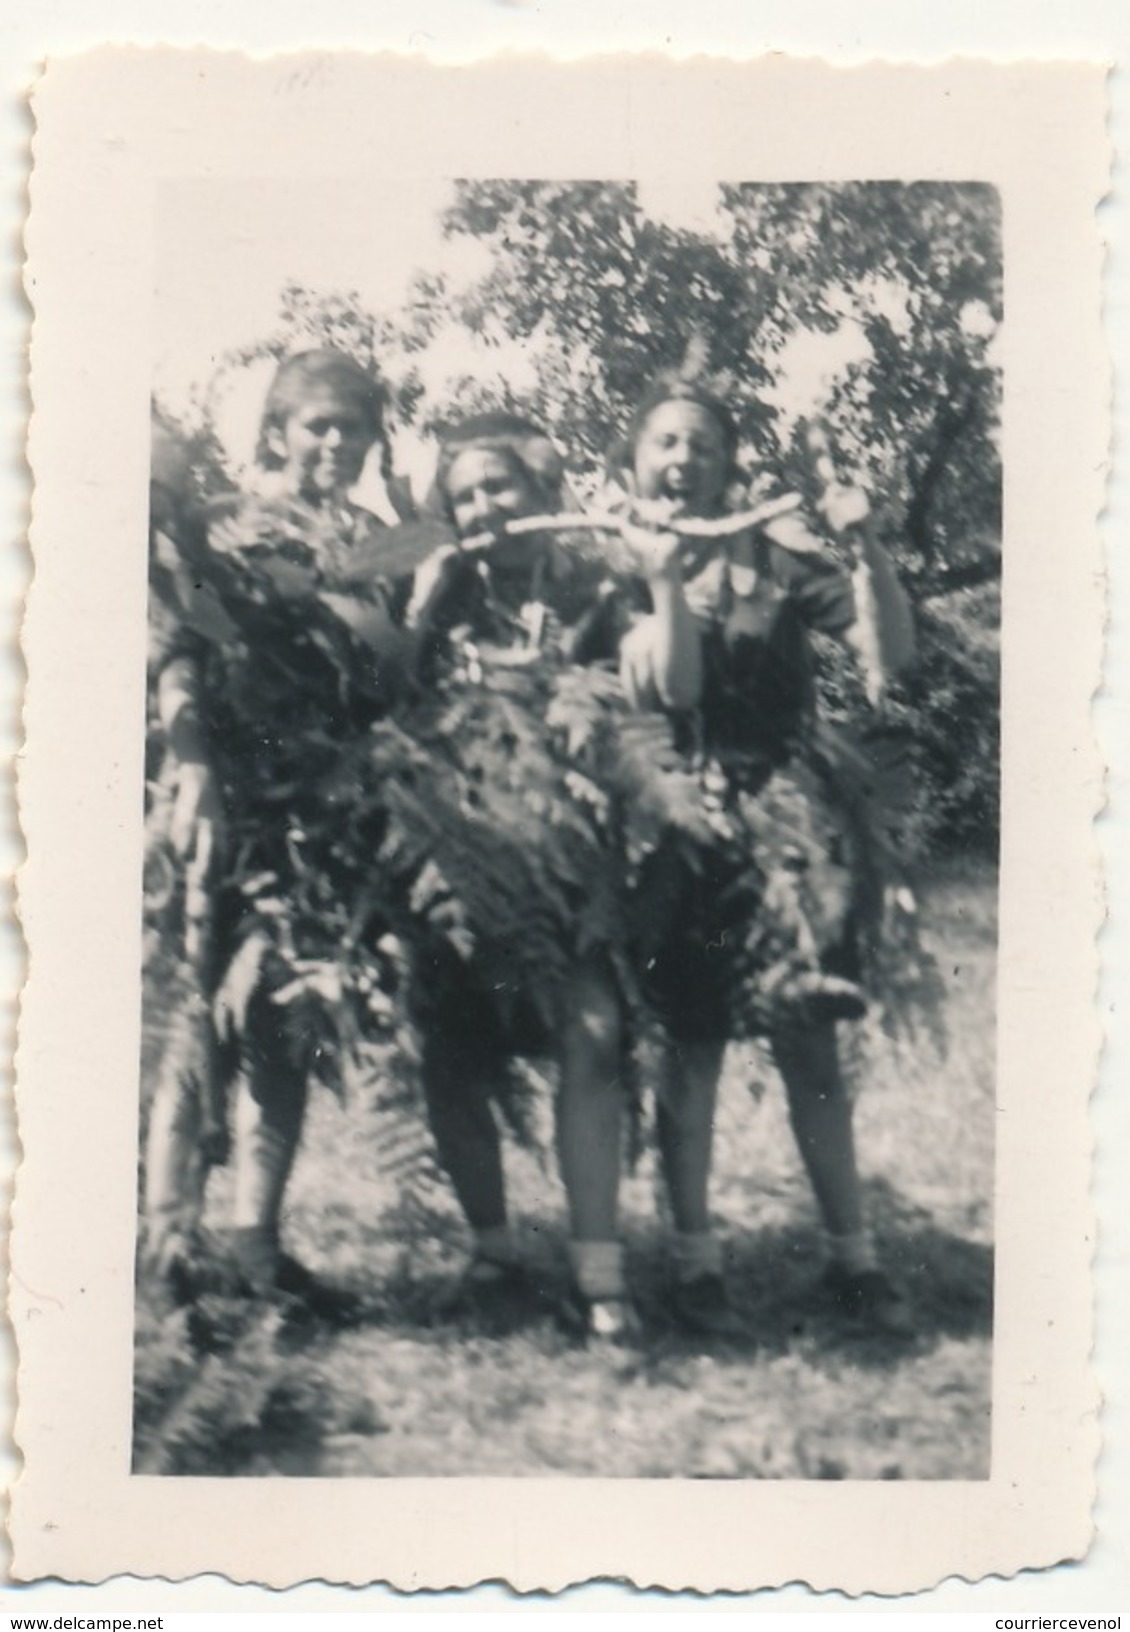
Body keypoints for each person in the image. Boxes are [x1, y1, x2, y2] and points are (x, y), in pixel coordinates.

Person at [608, 376, 919, 1336]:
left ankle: (852, 1259)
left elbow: (890, 655)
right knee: (691, 1046)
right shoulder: (612, 562)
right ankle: (695, 1264)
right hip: (678, 824)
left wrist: (866, 546)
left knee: (807, 1037)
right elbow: (655, 698)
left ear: (730, 463)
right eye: (664, 442)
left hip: (792, 826)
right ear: (633, 462)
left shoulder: (780, 558)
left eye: (701, 444)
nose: (682, 459)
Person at [397, 412, 699, 1340]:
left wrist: (659, 586)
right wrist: (418, 605)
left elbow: (669, 695)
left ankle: (598, 1273)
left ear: (542, 494)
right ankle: (493, 1252)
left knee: (596, 1033)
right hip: (458, 860)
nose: (485, 507)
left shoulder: (595, 592)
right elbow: (386, 704)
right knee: (450, 1054)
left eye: (502, 488)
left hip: (573, 862)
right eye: (466, 496)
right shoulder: (443, 593)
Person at [140, 349, 410, 1312]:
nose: (334, 442)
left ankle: (257, 1247)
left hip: (324, 822)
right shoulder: (217, 531)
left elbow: (385, 690)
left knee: (282, 1034)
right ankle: (167, 1248)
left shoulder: (383, 549)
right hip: (222, 810)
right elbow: (180, 650)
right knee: (193, 1029)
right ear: (278, 432)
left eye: (352, 426)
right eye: (316, 425)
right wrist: (197, 769)